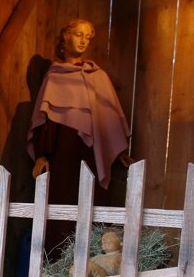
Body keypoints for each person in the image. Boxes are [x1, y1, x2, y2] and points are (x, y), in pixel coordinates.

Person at [26, 19, 132, 257]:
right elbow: (47, 120)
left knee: (93, 204)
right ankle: (59, 263)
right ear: (65, 38)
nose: (83, 40)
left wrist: (118, 153)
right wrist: (42, 154)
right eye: (78, 35)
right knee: (61, 208)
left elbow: (108, 121)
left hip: (92, 156)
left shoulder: (99, 77)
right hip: (64, 156)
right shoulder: (54, 77)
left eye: (88, 36)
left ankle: (93, 262)